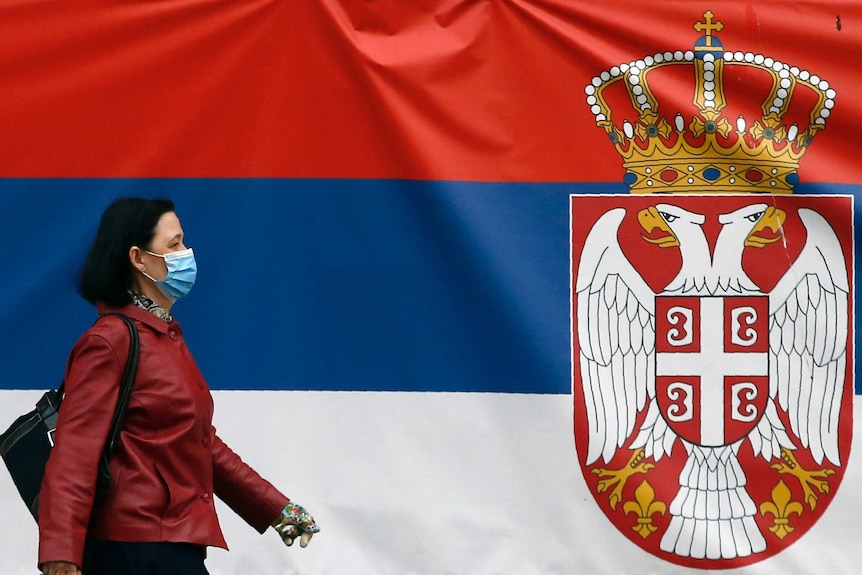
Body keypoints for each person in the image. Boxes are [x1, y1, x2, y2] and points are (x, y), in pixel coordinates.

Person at [38, 197, 319, 575]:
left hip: (170, 545)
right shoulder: (110, 341)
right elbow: (74, 455)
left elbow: (201, 444)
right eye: (174, 245)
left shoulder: (163, 337)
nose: (186, 254)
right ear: (138, 259)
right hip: (132, 551)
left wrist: (275, 508)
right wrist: (61, 552)